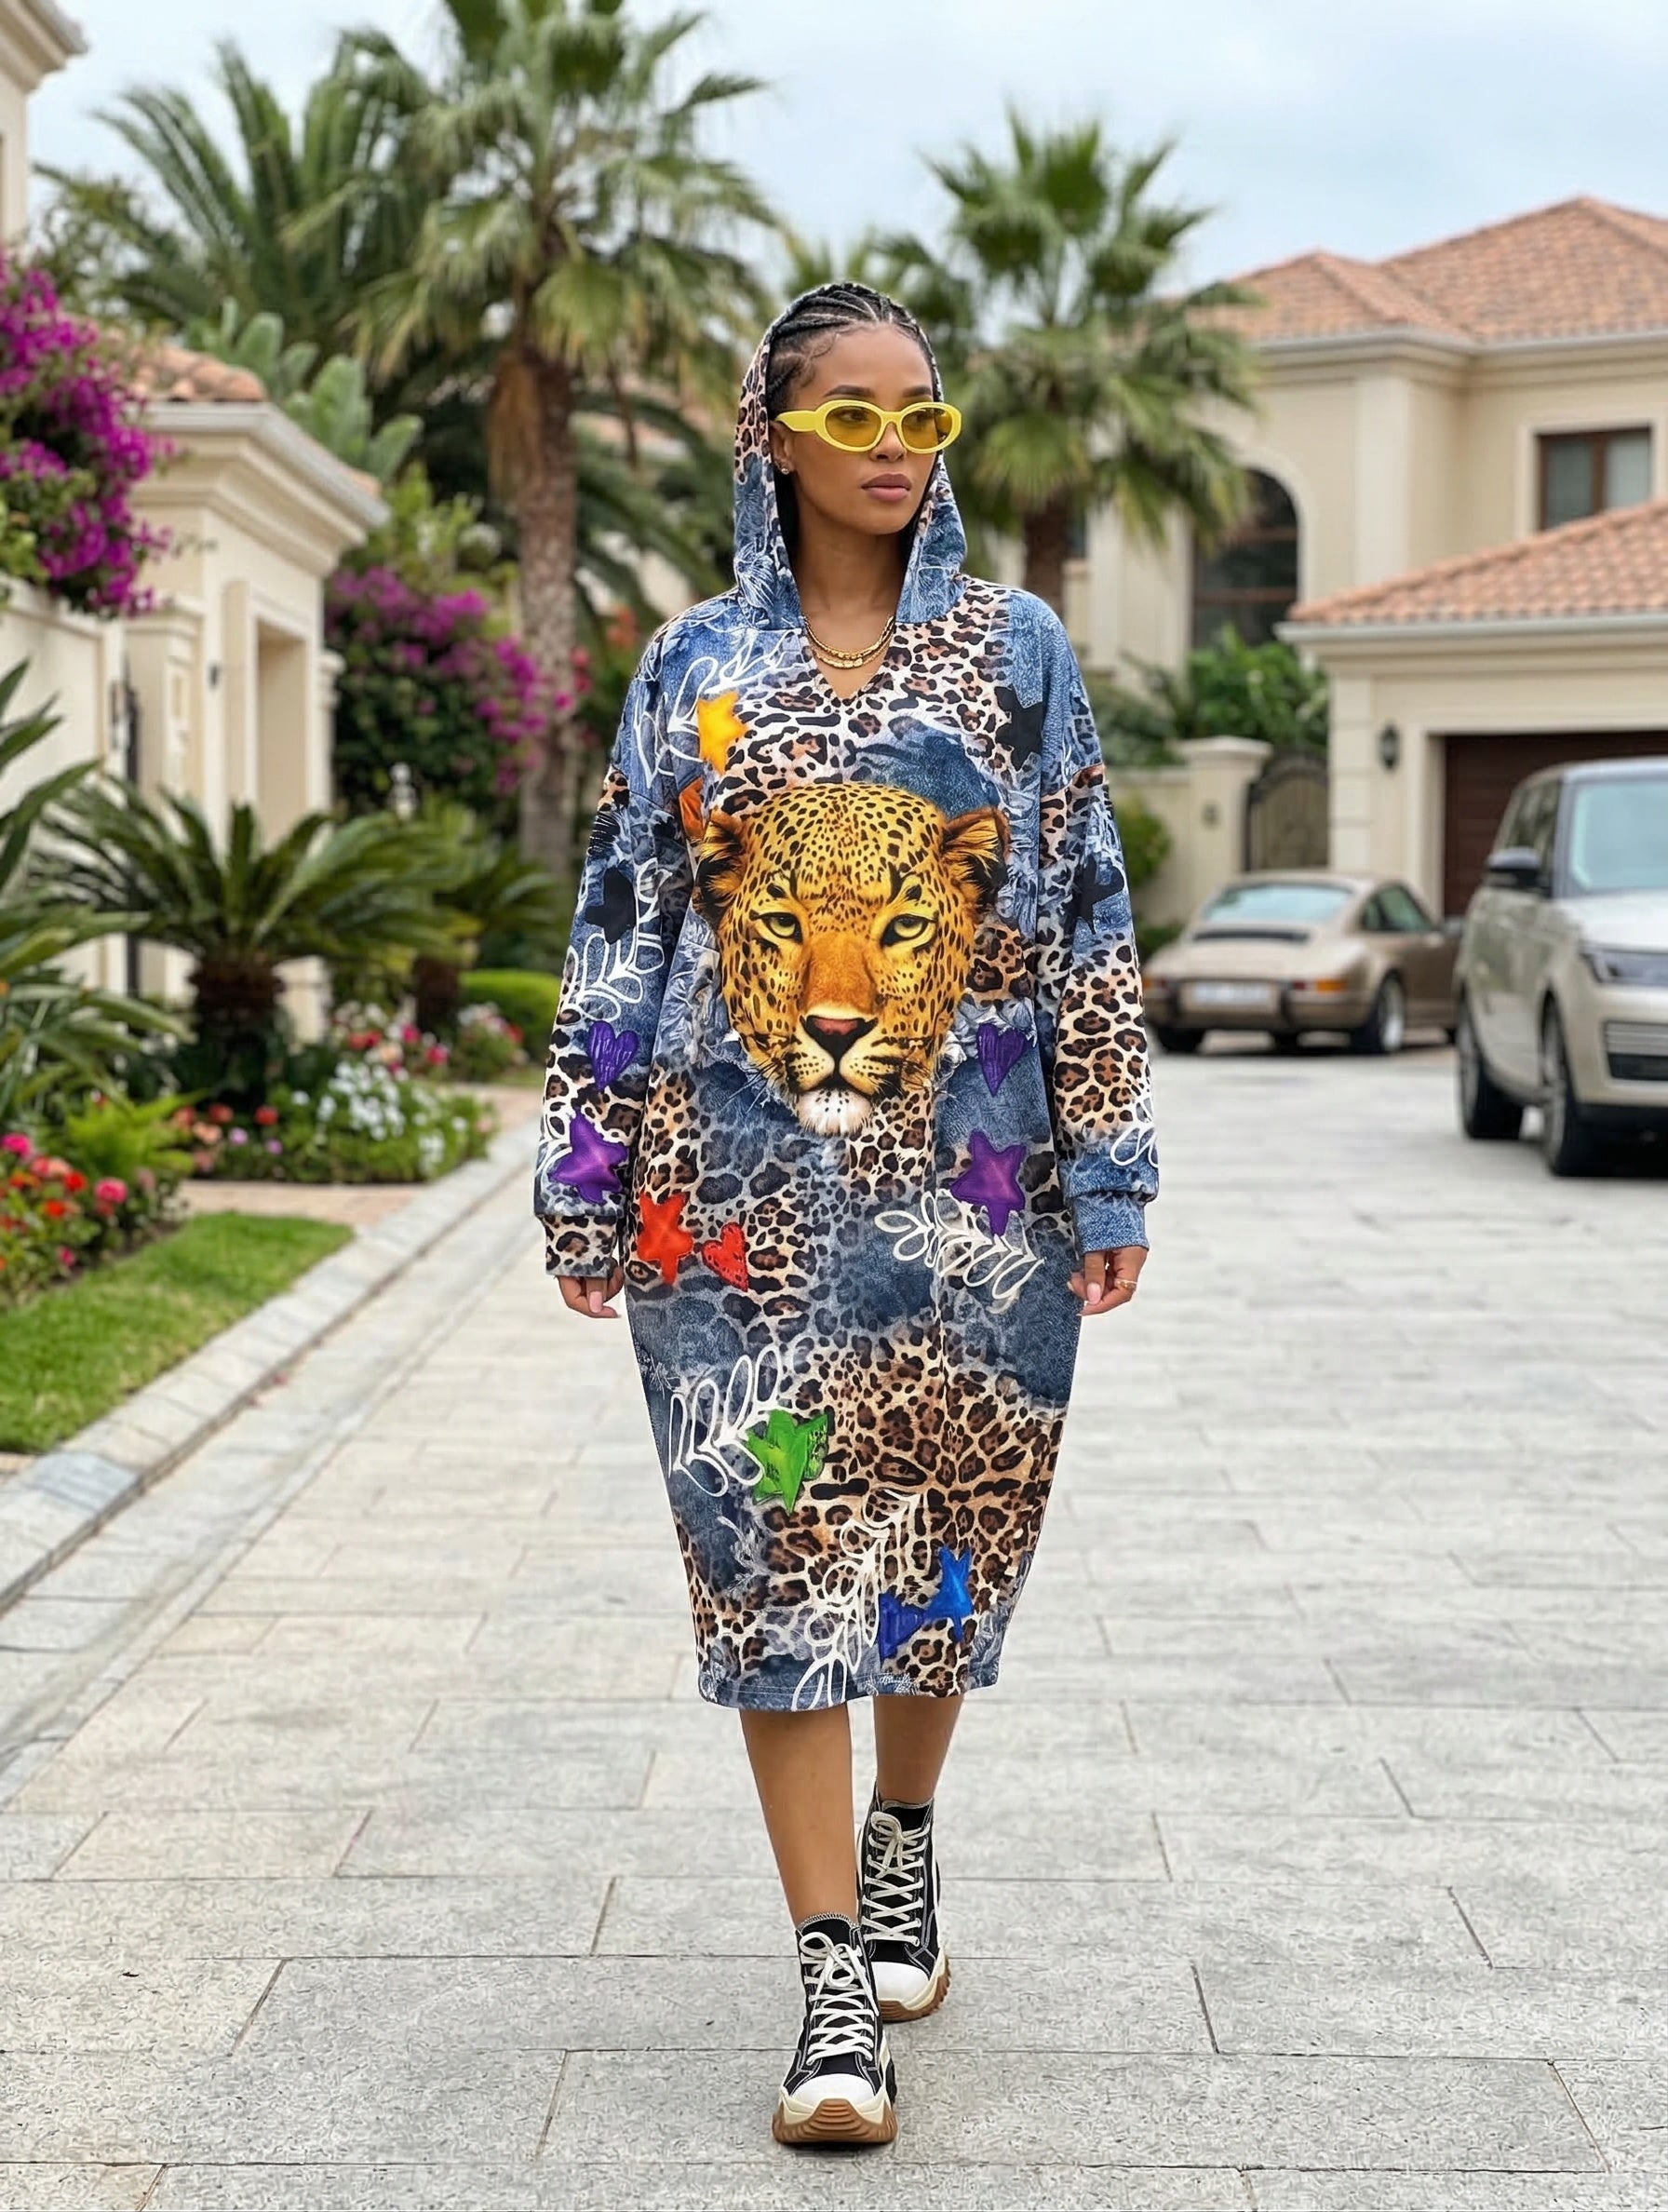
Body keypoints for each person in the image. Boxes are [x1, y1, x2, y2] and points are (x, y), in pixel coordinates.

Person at [534, 282, 1157, 2148]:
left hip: (982, 1186)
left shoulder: (1015, 652)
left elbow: (1089, 914)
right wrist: (583, 1177)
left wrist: (1110, 1158)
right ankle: (825, 1978)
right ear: (775, 439)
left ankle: (903, 1836)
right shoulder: (691, 668)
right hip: (725, 1194)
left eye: (921, 416)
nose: (893, 448)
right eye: (854, 416)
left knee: (946, 1536)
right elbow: (620, 922)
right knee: (774, 1553)